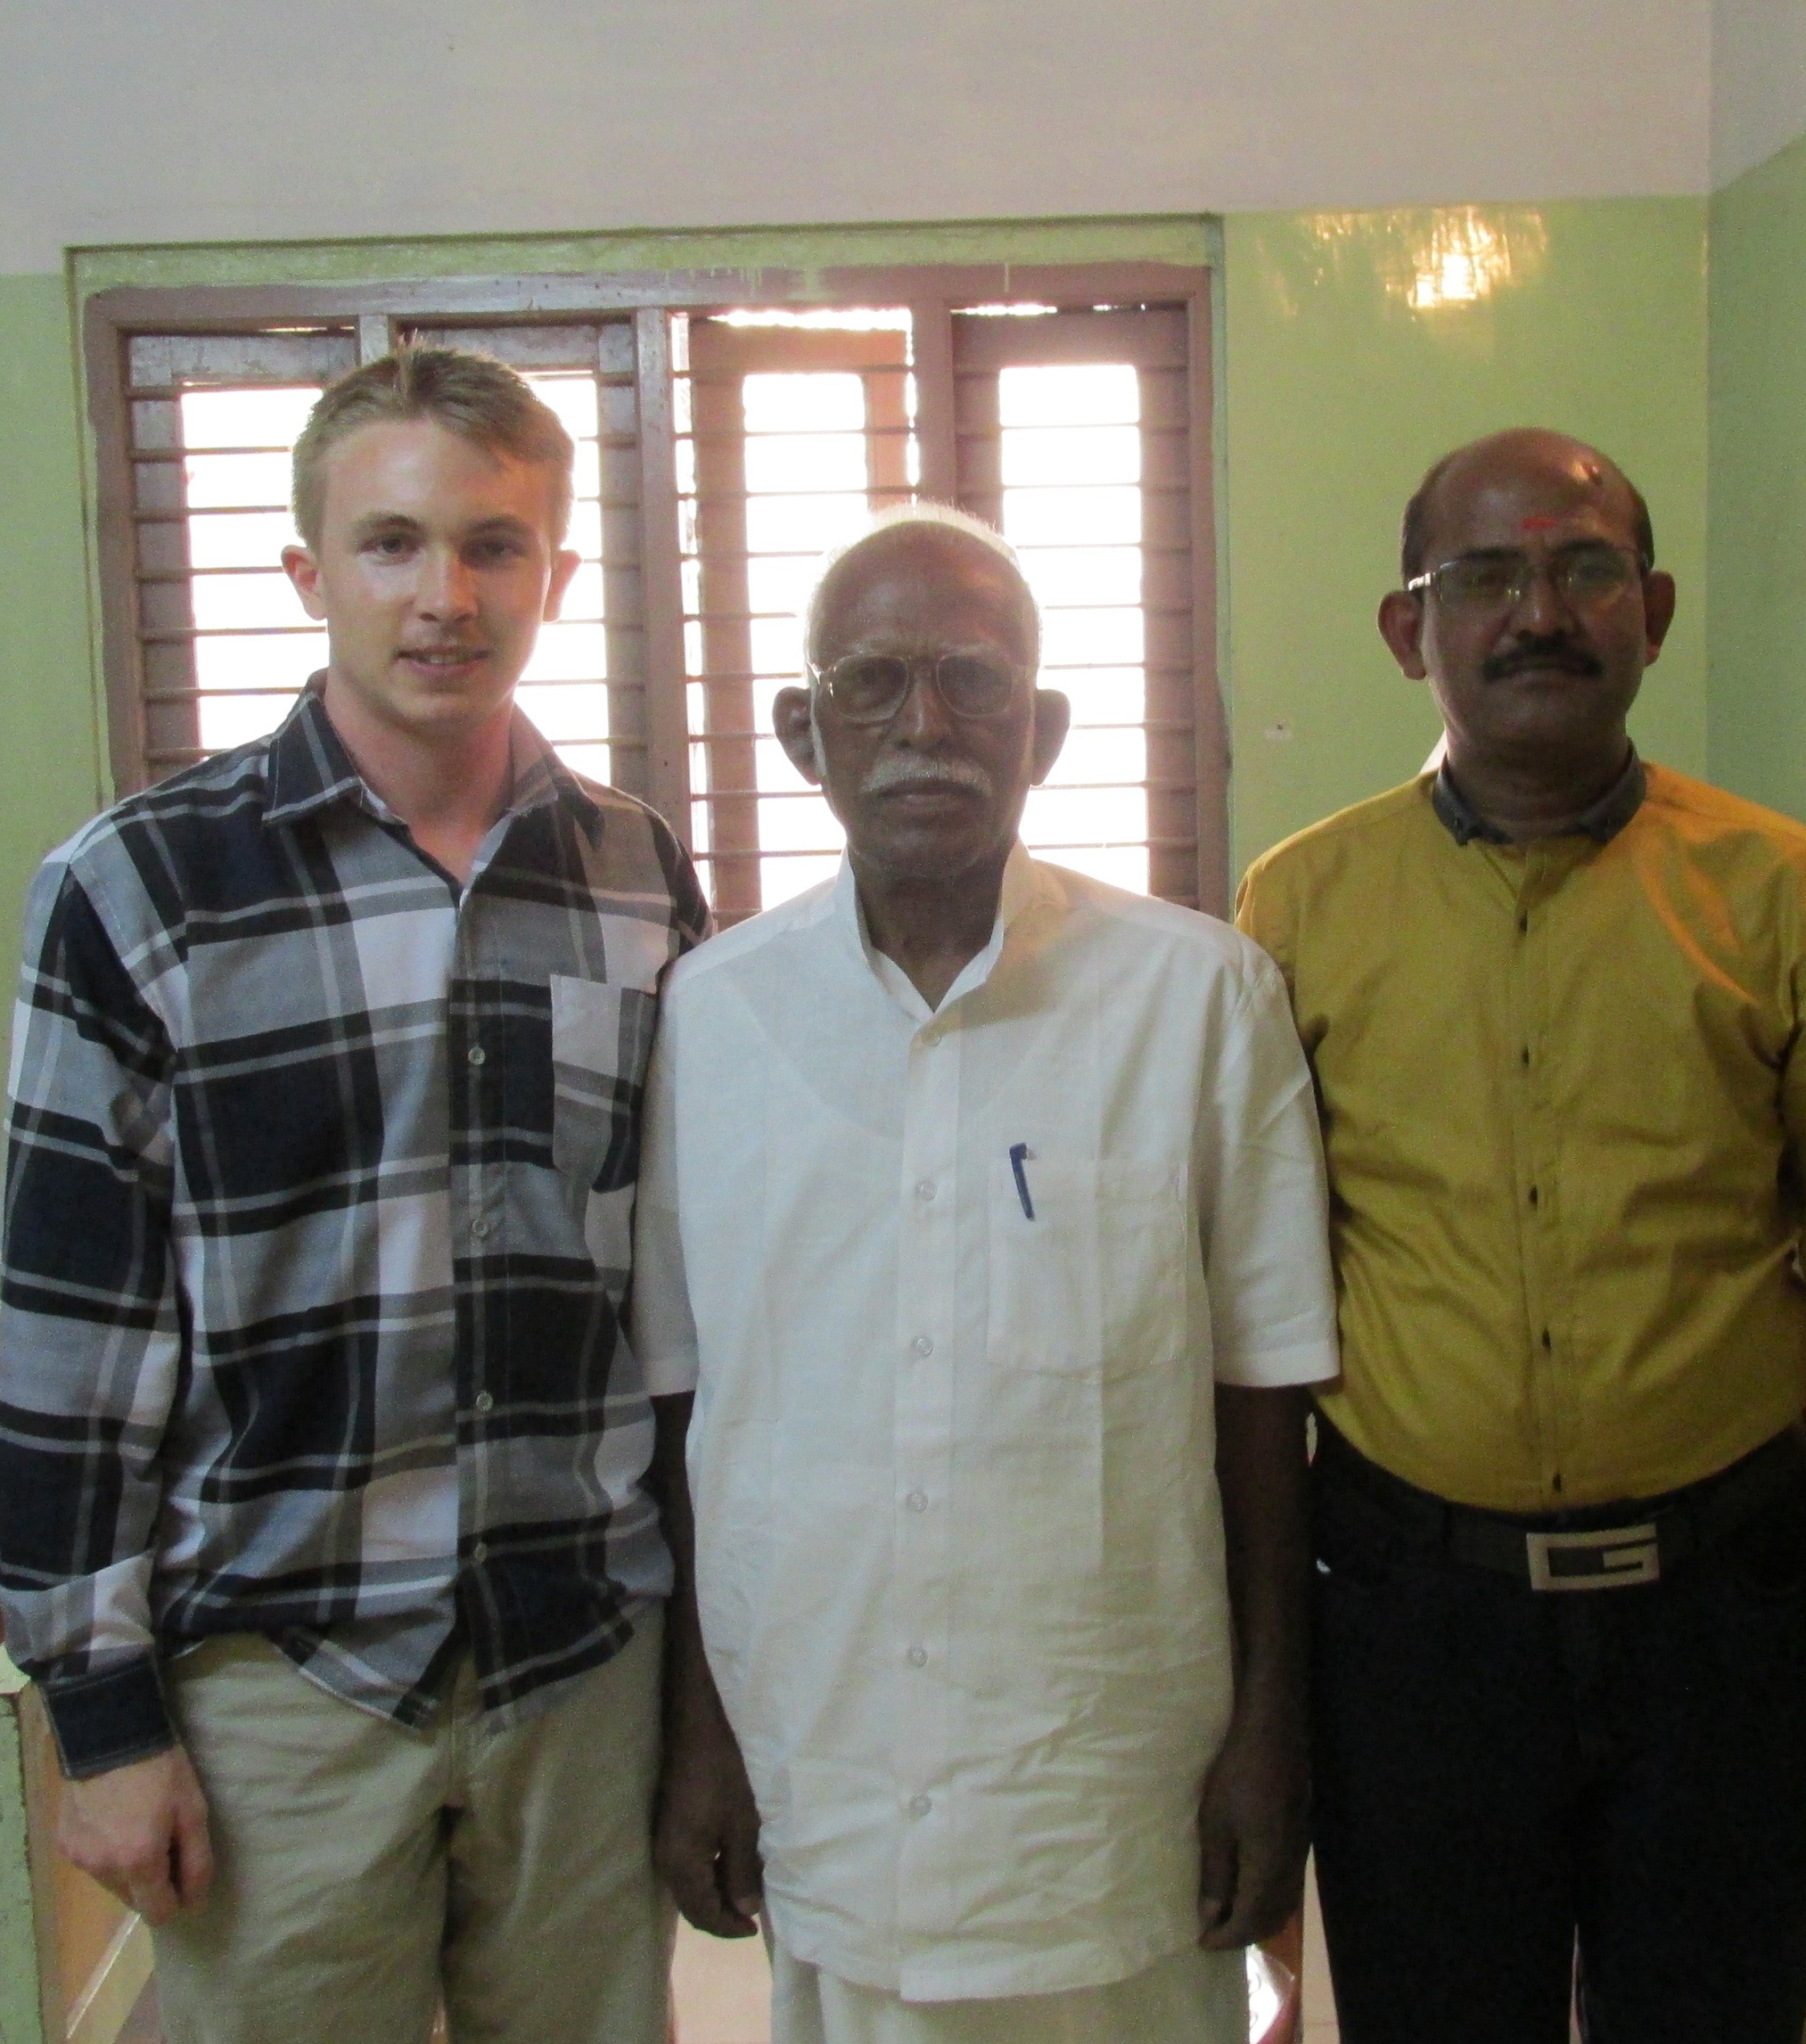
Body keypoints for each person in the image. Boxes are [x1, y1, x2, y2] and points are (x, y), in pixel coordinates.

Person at [1234, 429, 1806, 2044]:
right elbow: (1244, 1312)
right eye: (1486, 576)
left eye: (1585, 568)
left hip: (1719, 1630)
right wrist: (1254, 1695)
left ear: (1652, 611)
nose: (1539, 612)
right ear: (1409, 628)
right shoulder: (1296, 913)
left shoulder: (1791, 899)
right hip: (1415, 1637)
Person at [0, 347, 706, 2044]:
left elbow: (682, 1281)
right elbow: (74, 1340)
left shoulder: (640, 878)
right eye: (390, 544)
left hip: (579, 1664)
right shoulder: (142, 888)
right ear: (308, 572)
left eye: (493, 545)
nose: (445, 596)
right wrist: (101, 1719)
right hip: (282, 1686)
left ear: (557, 574)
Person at [635, 506, 1338, 2044]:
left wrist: (1271, 1732)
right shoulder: (713, 1016)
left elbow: (1265, 1404)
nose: (926, 728)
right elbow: (693, 1412)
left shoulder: (1201, 999)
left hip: (1111, 1786)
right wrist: (704, 1730)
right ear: (802, 731)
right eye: (875, 683)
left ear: (1047, 731)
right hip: (828, 1760)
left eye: (975, 682)